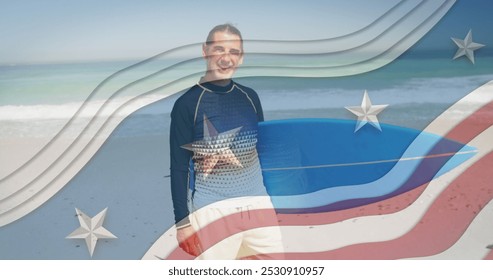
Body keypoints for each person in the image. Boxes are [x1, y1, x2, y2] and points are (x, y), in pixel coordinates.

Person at [169, 24, 283, 259]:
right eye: (219, 49)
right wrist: (182, 223)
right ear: (205, 51)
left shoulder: (250, 97)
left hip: (259, 206)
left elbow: (261, 154)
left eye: (233, 52)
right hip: (214, 210)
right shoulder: (188, 104)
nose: (226, 58)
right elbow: (179, 167)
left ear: (240, 58)